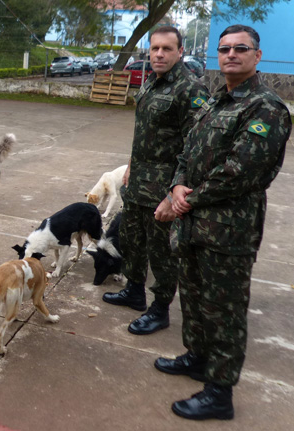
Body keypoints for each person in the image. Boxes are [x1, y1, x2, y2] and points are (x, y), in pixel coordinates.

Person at [155, 24, 292, 420]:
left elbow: (241, 171)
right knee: (195, 298)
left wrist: (185, 199)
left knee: (225, 309)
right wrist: (178, 184)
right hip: (194, 221)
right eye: (224, 49)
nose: (231, 54)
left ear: (257, 55)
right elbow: (188, 150)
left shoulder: (265, 108)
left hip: (228, 231)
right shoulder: (215, 100)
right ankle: (196, 359)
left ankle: (219, 392)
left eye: (240, 48)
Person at [102, 26, 210, 335]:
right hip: (137, 183)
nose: (159, 54)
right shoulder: (151, 82)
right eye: (154, 48)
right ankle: (134, 291)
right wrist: (131, 166)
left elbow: (196, 147)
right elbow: (143, 133)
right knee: (134, 242)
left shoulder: (191, 89)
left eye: (166, 48)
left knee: (162, 252)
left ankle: (160, 309)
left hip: (164, 188)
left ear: (180, 52)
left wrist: (172, 194)